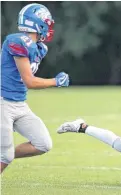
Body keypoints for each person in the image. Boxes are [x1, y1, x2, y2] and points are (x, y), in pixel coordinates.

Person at [1, 3, 70, 173]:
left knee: (43, 144)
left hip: (19, 104)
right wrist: (56, 81)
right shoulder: (17, 41)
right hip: (3, 102)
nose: (49, 26)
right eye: (46, 22)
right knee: (5, 156)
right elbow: (29, 82)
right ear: (36, 23)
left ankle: (5, 153)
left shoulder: (38, 47)